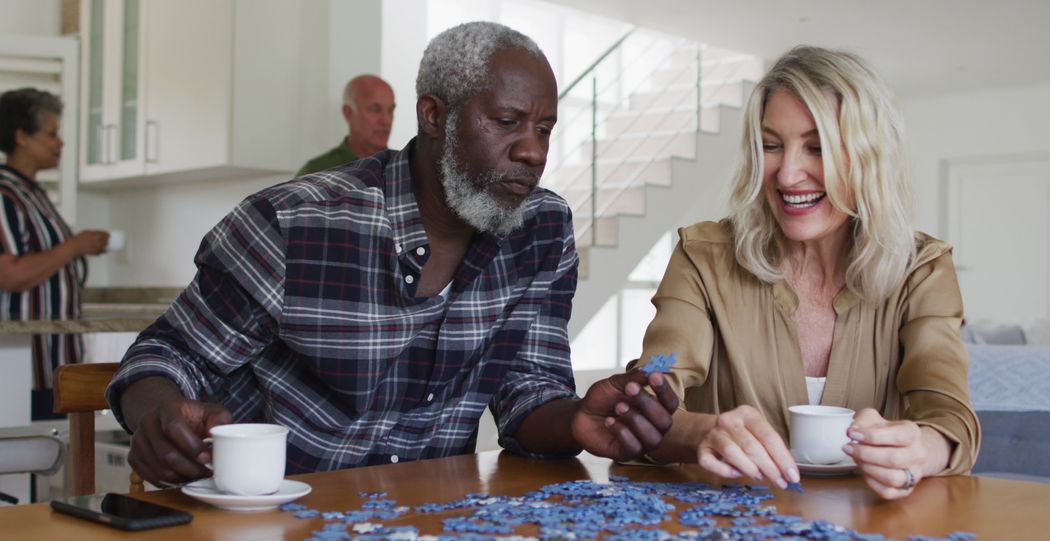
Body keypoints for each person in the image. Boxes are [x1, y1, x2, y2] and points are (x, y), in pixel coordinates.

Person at [106, 22, 678, 488]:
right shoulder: (294, 224)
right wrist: (156, 413)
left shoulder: (542, 230)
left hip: (425, 529)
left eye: (545, 128)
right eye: (506, 122)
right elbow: (165, 357)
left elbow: (528, 387)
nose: (532, 150)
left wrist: (575, 420)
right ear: (433, 116)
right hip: (267, 522)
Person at [627, 46, 980, 500]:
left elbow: (949, 415)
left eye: (817, 147)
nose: (788, 174)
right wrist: (699, 433)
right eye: (771, 145)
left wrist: (923, 449)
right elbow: (654, 384)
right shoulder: (703, 257)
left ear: (870, 158)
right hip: (725, 536)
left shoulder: (923, 270)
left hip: (871, 538)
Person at [0, 88, 110, 419]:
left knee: (49, 462)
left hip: (55, 364)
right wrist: (75, 246)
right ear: (21, 137)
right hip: (23, 368)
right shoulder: (5, 194)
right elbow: (11, 274)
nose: (60, 143)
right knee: (24, 464)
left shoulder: (32, 193)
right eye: (51, 134)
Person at [296, 74, 396, 176]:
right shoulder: (316, 171)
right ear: (348, 113)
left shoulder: (403, 168)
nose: (386, 121)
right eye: (375, 110)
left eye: (391, 110)